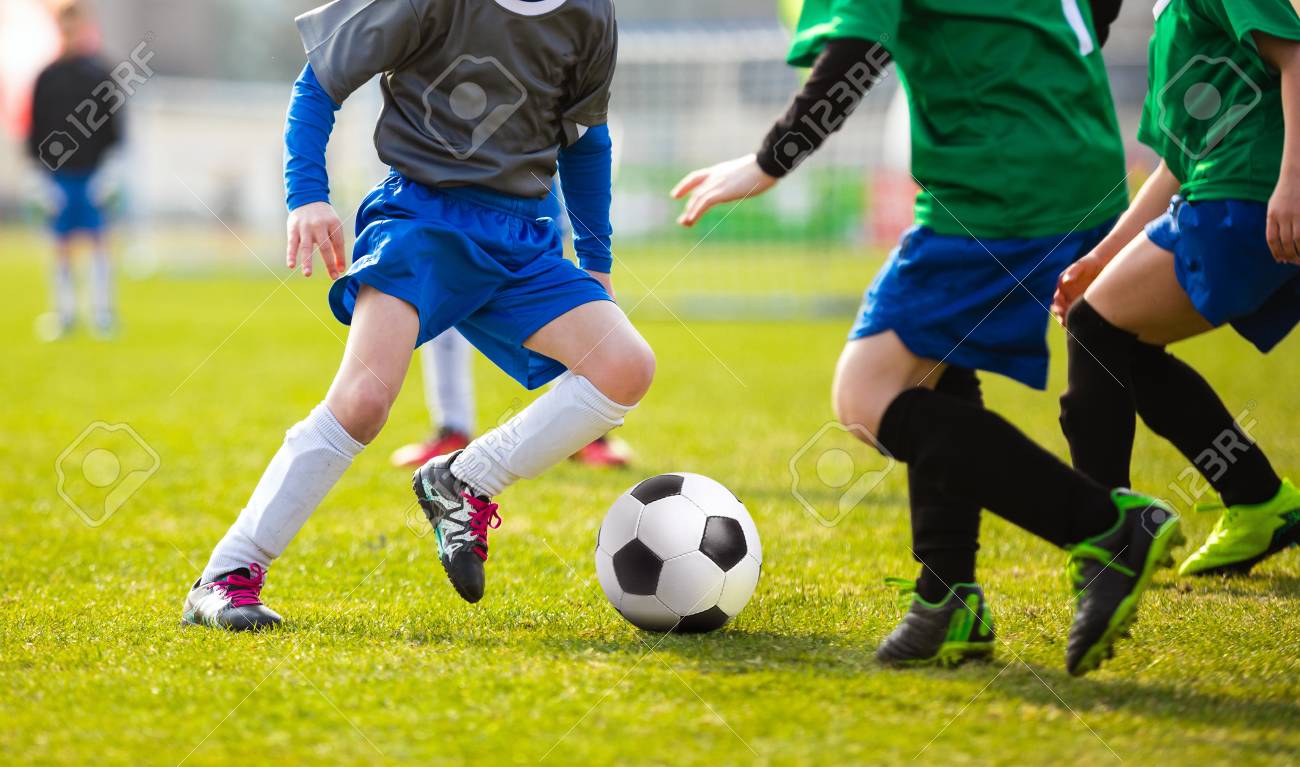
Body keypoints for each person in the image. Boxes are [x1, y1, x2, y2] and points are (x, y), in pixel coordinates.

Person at [673, 0, 1180, 676]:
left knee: (865, 393)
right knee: (929, 360)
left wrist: (770, 161)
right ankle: (947, 597)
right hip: (1076, 153)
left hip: (1003, 178)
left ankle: (1107, 528)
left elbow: (858, 56)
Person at [184, 0, 652, 631]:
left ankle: (465, 481)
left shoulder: (591, 13)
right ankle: (226, 575)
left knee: (625, 367)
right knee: (363, 402)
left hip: (521, 236)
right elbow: (319, 82)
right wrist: (308, 196)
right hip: (421, 221)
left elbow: (588, 141)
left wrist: (597, 265)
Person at [1053, 0, 1300, 578]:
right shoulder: (1168, 18)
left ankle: (1107, 539)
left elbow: (1296, 56)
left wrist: (1292, 184)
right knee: (1117, 340)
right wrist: (1100, 257)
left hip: (1247, 200)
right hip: (1223, 193)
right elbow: (1175, 164)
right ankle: (1258, 498)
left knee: (1094, 329)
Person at [390, 187, 634, 470]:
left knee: (560, 307)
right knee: (442, 306)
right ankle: (451, 429)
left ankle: (587, 434)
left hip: (532, 206)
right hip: (450, 206)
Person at [27, 0, 120, 338]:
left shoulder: (99, 74)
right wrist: (38, 176)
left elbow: (114, 130)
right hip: (58, 175)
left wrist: (110, 171)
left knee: (99, 241)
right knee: (61, 243)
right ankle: (64, 312)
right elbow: (35, 130)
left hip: (93, 173)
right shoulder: (46, 77)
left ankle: (102, 312)